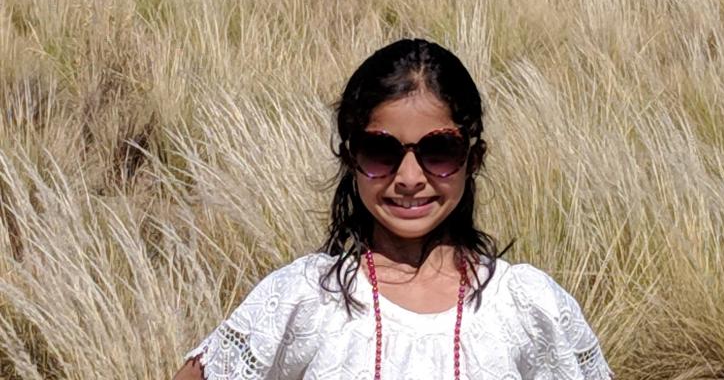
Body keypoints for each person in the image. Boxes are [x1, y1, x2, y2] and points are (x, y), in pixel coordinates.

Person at [173, 39, 613, 380]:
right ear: (351, 158)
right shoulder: (304, 297)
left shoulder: (526, 306)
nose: (408, 177)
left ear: (473, 159)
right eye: (380, 151)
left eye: (438, 150)